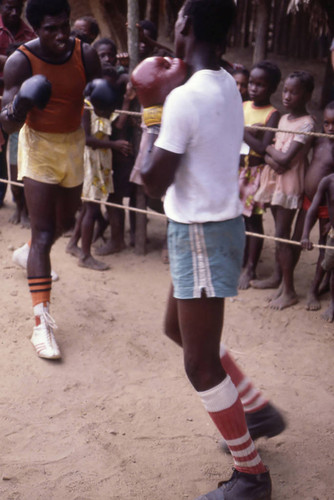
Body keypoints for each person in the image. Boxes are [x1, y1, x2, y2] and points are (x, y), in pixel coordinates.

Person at [141, 1, 285, 498]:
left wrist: (149, 108)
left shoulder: (184, 98)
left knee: (199, 364)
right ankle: (257, 410)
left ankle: (251, 476)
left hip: (200, 232)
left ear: (186, 25)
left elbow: (151, 183)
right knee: (174, 330)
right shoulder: (225, 81)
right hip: (211, 225)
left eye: (178, 16)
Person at [0, 0, 113, 359]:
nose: (62, 35)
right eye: (51, 29)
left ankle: (27, 251)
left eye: (65, 26)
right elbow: (7, 123)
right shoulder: (21, 60)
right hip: (38, 147)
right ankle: (41, 325)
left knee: (64, 224)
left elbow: (105, 104)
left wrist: (105, 97)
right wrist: (21, 105)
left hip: (73, 144)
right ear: (36, 29)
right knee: (45, 232)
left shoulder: (85, 52)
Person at [251, 71, 315, 310]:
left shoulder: (308, 124)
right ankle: (279, 279)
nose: (287, 96)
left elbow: (285, 159)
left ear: (307, 95)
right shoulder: (283, 119)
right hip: (275, 181)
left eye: (294, 92)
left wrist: (266, 149)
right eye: (285, 91)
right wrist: (272, 155)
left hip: (289, 183)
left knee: (281, 237)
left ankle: (289, 290)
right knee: (280, 236)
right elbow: (276, 158)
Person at [65, 68, 120, 271]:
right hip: (89, 163)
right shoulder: (86, 108)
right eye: (104, 111)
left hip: (99, 164)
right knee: (92, 209)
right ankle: (85, 256)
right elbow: (86, 139)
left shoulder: (101, 104)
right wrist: (115, 145)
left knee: (89, 208)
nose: (106, 114)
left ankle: (72, 244)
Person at [238, 60, 281, 289]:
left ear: (272, 88)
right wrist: (244, 131)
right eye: (252, 83)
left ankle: (251, 267)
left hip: (254, 174)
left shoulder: (272, 115)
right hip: (235, 171)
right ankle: (240, 259)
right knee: (237, 219)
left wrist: (242, 130)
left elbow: (263, 147)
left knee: (253, 221)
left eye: (260, 85)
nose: (254, 88)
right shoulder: (243, 106)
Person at [0, 0, 35, 208]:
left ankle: (19, 199)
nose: (14, 12)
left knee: (16, 147)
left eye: (17, 8)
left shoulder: (30, 34)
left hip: (17, 101)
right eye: (9, 8)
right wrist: (14, 60)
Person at [300, 101, 334, 311]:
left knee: (325, 249)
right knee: (301, 237)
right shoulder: (319, 140)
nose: (330, 128)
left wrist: (332, 219)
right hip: (309, 199)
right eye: (327, 123)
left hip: (327, 206)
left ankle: (315, 288)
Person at [301, 173, 334, 322]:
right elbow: (313, 209)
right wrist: (305, 236)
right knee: (332, 268)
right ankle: (333, 303)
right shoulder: (328, 181)